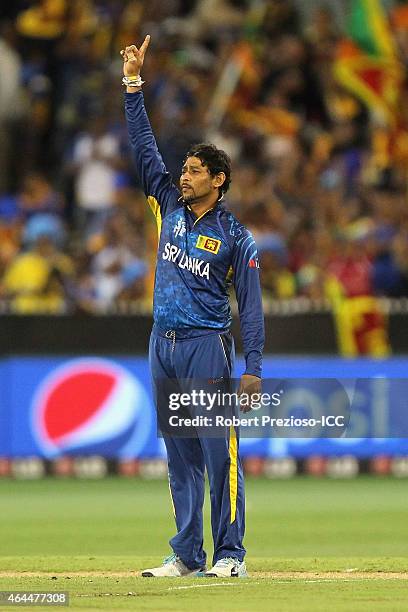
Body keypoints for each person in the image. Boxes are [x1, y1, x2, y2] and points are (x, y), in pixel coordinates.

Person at [122, 36, 264, 579]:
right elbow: (141, 146)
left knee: (218, 454)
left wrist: (252, 369)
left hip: (208, 346)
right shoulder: (167, 206)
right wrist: (133, 84)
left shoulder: (235, 236)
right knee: (179, 457)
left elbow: (250, 307)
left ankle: (230, 556)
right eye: (182, 168)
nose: (183, 175)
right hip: (164, 345)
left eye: (195, 170)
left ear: (218, 180)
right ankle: (186, 554)